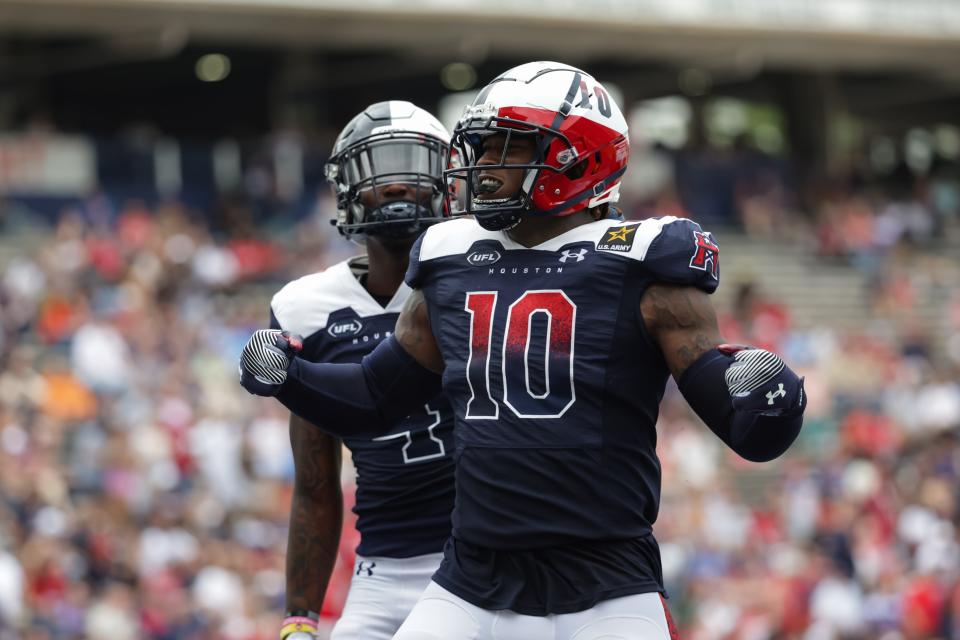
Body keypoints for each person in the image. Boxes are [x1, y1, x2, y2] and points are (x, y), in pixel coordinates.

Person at [242, 62, 806, 640]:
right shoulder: (450, 253)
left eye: (507, 147)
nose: (484, 167)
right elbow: (377, 397)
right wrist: (290, 376)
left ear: (578, 154)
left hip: (606, 586)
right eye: (482, 148)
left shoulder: (645, 259)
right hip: (471, 582)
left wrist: (772, 398)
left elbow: (747, 433)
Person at [269, 101, 456, 640]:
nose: (396, 186)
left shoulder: (474, 277)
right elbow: (315, 484)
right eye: (379, 170)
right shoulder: (307, 307)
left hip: (482, 562)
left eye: (412, 166)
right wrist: (300, 617)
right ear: (347, 188)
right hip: (382, 572)